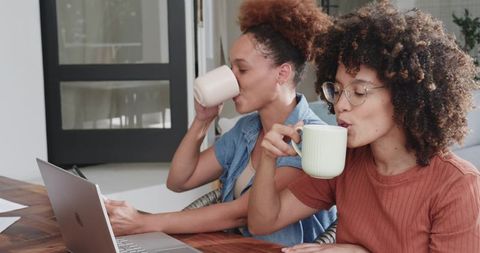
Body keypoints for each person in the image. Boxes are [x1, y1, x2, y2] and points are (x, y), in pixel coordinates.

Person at [248, 2, 480, 252]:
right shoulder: (344, 160)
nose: (340, 105)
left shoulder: (457, 185)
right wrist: (269, 158)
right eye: (336, 90)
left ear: (404, 95)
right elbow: (263, 222)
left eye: (359, 91)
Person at [105, 0, 337, 246]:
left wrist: (144, 223)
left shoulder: (310, 139)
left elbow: (241, 212)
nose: (232, 79)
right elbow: (179, 181)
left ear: (282, 73)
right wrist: (202, 121)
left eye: (242, 70)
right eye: (231, 68)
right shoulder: (247, 128)